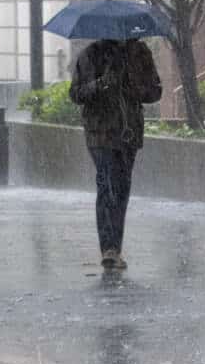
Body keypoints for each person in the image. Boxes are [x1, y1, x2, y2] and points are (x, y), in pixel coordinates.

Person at [69, 36, 164, 270]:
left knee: (121, 188)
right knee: (107, 184)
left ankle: (114, 248)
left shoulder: (139, 52)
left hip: (127, 133)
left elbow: (155, 91)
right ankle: (108, 248)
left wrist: (133, 84)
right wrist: (100, 85)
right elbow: (76, 94)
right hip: (99, 133)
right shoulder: (90, 54)